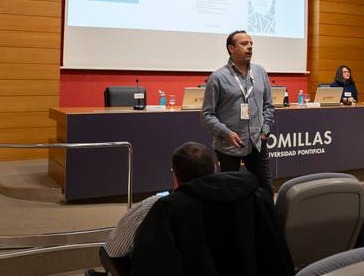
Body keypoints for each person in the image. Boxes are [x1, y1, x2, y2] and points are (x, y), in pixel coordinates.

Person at [92, 141, 294, 276]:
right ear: (214, 168)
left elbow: (112, 251)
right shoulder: (256, 196)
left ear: (176, 176)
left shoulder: (158, 207)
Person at [201, 30, 275, 197]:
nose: (249, 47)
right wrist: (226, 133)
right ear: (231, 48)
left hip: (257, 142)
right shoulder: (218, 77)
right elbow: (207, 115)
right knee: (230, 193)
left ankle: (267, 222)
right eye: (244, 44)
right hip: (229, 146)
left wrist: (265, 129)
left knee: (266, 190)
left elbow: (269, 105)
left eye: (251, 44)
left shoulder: (260, 72)